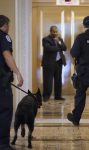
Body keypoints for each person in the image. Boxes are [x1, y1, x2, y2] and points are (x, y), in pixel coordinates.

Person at [0, 15, 23, 150]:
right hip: (2, 82)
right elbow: (7, 55)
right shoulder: (3, 36)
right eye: (8, 25)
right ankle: (3, 144)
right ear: (5, 25)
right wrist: (17, 73)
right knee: (5, 110)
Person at [42, 25, 67, 101]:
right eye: (53, 32)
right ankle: (46, 96)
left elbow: (64, 48)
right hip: (48, 63)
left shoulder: (60, 39)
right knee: (48, 81)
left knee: (58, 80)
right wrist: (59, 47)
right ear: (50, 32)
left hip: (59, 63)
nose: (55, 33)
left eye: (56, 32)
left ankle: (58, 96)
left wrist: (58, 42)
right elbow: (48, 48)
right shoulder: (45, 39)